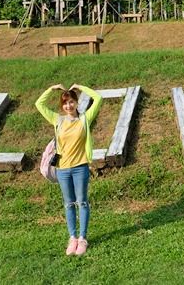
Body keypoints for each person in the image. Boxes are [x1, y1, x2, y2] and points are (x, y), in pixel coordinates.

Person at [35, 83, 103, 256]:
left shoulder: (84, 119)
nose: (68, 106)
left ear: (76, 103)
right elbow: (39, 104)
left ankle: (82, 238)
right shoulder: (58, 120)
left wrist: (80, 87)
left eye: (71, 102)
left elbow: (98, 98)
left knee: (82, 202)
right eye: (65, 103)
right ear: (62, 106)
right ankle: (72, 238)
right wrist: (51, 89)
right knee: (69, 204)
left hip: (80, 167)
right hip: (63, 169)